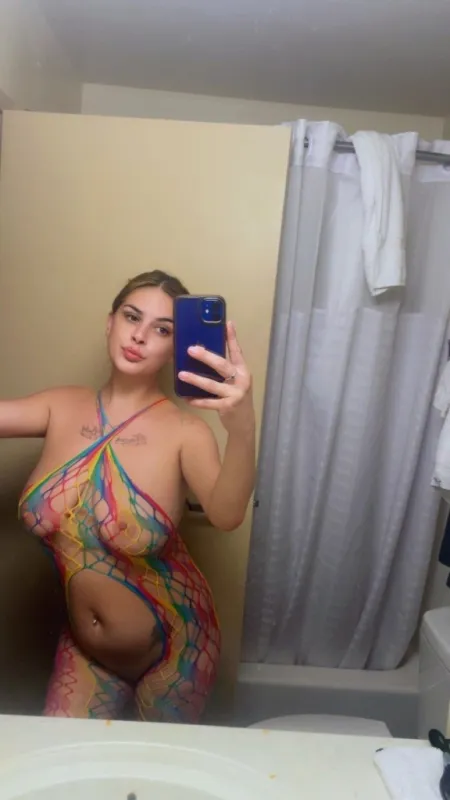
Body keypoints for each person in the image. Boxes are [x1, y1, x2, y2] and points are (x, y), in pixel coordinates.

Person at [2, 270, 255, 722]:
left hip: (177, 648)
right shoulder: (60, 405)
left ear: (176, 348)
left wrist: (242, 428)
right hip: (86, 647)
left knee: (153, 766)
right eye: (132, 317)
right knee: (62, 761)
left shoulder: (185, 432)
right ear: (110, 322)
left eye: (163, 330)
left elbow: (228, 514)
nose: (140, 336)